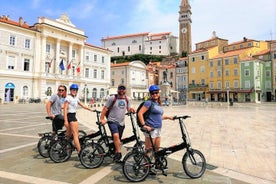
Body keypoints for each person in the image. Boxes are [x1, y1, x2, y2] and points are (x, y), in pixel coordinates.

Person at [137, 85, 174, 173]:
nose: (155, 94)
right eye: (153, 93)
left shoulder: (156, 103)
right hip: (151, 130)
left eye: (156, 93)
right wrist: (144, 125)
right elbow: (140, 113)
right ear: (150, 94)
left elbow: (159, 117)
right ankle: (145, 168)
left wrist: (169, 117)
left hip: (158, 129)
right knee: (149, 149)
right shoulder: (148, 103)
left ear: (158, 93)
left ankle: (155, 165)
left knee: (156, 149)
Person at [100, 84, 135, 162]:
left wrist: (132, 110)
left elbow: (128, 109)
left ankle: (116, 157)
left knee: (118, 140)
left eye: (123, 89)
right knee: (116, 136)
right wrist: (102, 118)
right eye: (120, 88)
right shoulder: (112, 98)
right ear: (117, 89)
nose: (121, 90)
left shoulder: (127, 99)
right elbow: (105, 108)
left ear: (125, 90)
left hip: (121, 123)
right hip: (112, 121)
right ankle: (119, 153)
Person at [63, 84, 94, 156]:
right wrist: (65, 121)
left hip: (73, 115)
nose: (74, 91)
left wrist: (91, 109)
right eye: (73, 90)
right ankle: (79, 151)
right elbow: (65, 109)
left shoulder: (75, 98)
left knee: (68, 135)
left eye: (76, 90)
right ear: (70, 90)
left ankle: (64, 148)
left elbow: (82, 105)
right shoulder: (68, 98)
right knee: (75, 135)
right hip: (71, 116)